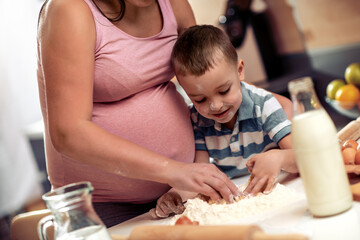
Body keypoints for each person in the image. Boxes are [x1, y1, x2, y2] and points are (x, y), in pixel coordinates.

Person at [37, 0, 242, 228]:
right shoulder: (70, 10)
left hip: (180, 193)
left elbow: (212, 76)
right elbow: (69, 132)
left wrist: (274, 111)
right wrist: (171, 170)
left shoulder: (173, 4)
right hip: (104, 209)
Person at [149, 25, 298, 218]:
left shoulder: (263, 105)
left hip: (282, 194)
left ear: (240, 71)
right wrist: (175, 194)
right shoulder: (198, 120)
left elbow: (304, 157)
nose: (216, 106)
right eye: (200, 99)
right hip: (237, 205)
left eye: (224, 91)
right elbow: (200, 175)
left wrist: (278, 158)